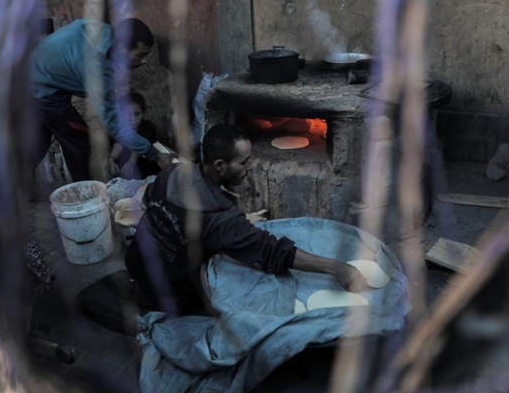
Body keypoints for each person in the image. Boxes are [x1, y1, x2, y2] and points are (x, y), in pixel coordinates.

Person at [125, 123, 368, 315]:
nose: (249, 167)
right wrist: (336, 267)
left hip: (135, 260)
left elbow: (148, 201)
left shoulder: (172, 173)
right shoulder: (219, 217)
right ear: (220, 165)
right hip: (168, 290)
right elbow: (271, 251)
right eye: (243, 162)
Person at [30, 18, 172, 181]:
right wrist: (154, 154)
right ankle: (86, 199)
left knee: (38, 144)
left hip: (34, 76)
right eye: (141, 55)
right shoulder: (96, 67)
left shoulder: (104, 32)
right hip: (42, 90)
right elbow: (113, 123)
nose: (145, 60)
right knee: (81, 146)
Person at [107, 92, 160, 179]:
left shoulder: (147, 127)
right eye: (128, 115)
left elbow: (141, 145)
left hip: (146, 169)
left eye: (136, 114)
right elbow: (118, 144)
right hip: (126, 173)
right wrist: (111, 159)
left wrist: (131, 162)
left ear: (142, 113)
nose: (132, 119)